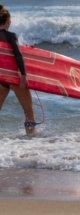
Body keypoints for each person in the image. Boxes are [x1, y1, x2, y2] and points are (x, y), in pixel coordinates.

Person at [0, 4, 36, 135]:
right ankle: (31, 137)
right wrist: (24, 75)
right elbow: (17, 54)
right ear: (8, 21)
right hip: (15, 78)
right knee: (28, 111)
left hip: (1, 78)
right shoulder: (11, 35)